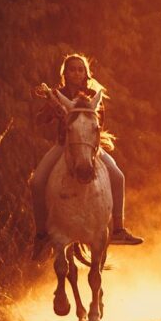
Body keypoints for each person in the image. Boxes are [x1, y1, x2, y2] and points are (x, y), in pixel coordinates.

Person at [31, 54, 144, 250]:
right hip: (64, 146)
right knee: (37, 181)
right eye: (72, 69)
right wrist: (52, 109)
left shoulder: (93, 96)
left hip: (90, 147)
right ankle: (42, 234)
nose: (76, 73)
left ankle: (118, 229)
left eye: (80, 69)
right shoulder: (57, 95)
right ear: (65, 73)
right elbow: (39, 120)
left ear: (85, 73)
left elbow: (98, 123)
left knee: (118, 177)